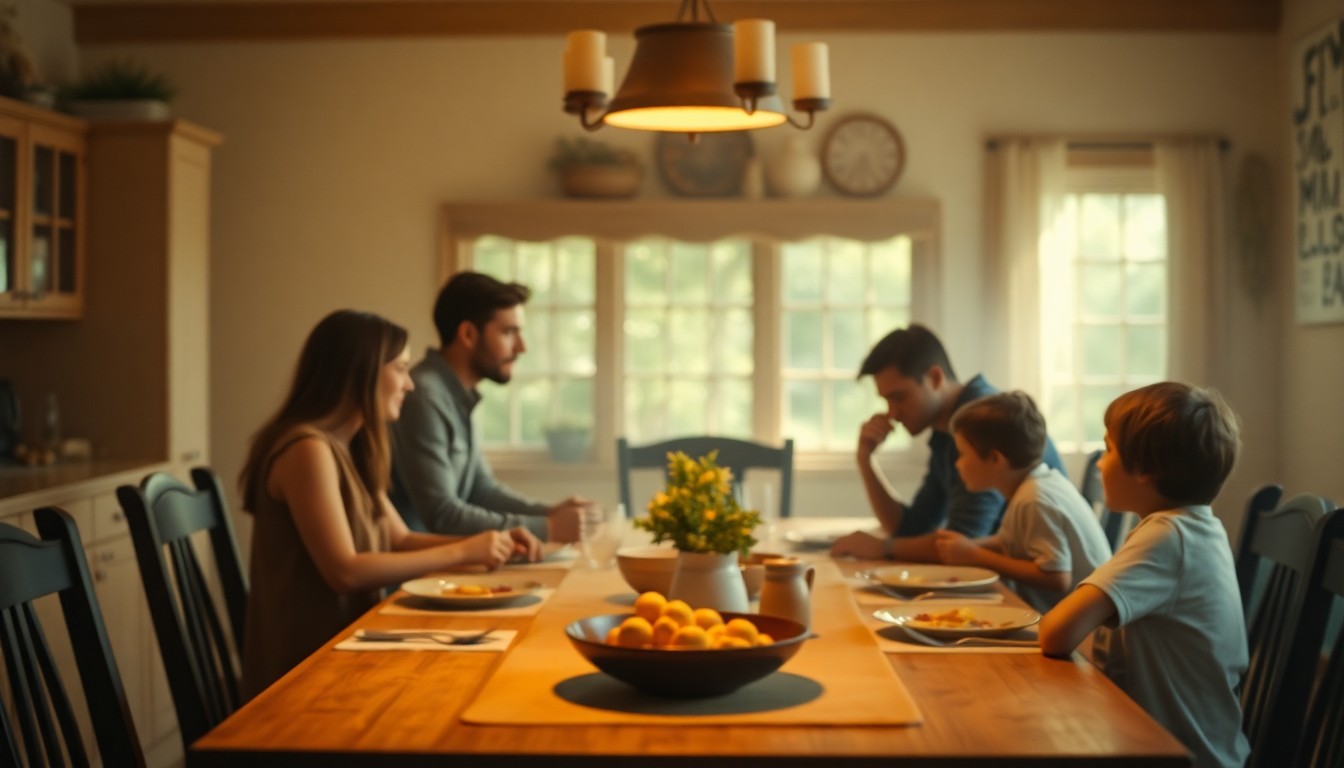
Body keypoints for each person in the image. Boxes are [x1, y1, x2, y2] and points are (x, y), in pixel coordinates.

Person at [238, 310, 542, 700]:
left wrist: (492, 543)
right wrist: (464, 551)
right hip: (304, 675)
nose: (410, 384)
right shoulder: (307, 450)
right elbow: (345, 572)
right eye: (400, 369)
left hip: (350, 648)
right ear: (360, 373)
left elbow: (400, 540)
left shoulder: (353, 448)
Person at [1038, 382, 1249, 768]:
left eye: (1109, 450)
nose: (1099, 463)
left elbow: (1055, 633)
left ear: (1147, 470)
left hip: (1179, 756)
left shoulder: (1167, 538)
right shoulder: (1197, 527)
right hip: (1182, 745)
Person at [830, 324, 1065, 562]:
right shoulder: (945, 432)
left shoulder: (982, 424)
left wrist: (885, 548)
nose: (892, 413)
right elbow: (913, 527)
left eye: (899, 397)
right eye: (886, 401)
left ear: (935, 378)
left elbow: (964, 540)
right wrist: (865, 459)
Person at [389, 272, 593, 543]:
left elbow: (480, 489)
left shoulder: (458, 393)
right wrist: (548, 528)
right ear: (468, 334)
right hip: (422, 566)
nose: (522, 347)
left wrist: (549, 513)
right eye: (509, 332)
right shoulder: (424, 396)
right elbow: (441, 514)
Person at [932, 391, 1111, 613]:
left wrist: (975, 555)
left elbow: (1056, 577)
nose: (957, 464)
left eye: (962, 454)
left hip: (1081, 629)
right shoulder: (1038, 483)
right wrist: (969, 546)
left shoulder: (1034, 499)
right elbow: (1012, 541)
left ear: (995, 459)